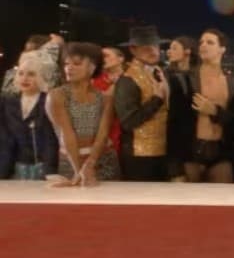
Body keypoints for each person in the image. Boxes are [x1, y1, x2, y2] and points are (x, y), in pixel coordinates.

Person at [171, 29, 234, 183]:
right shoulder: (184, 80)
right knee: (187, 198)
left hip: (221, 153)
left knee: (223, 197)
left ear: (222, 49)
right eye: (201, 42)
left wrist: (215, 111)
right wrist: (174, 169)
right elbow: (172, 125)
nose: (203, 45)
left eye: (210, 42)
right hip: (190, 153)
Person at [48, 42, 120, 185]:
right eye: (66, 64)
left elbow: (103, 134)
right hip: (70, 161)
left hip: (104, 161)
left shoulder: (105, 98)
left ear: (92, 67)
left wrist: (90, 164)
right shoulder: (57, 95)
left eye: (76, 63)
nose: (69, 68)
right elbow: (66, 134)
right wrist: (78, 170)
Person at [114, 26, 171, 181]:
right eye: (146, 47)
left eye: (155, 46)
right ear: (133, 49)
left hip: (164, 152)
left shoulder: (159, 72)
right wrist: (156, 100)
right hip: (139, 155)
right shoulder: (127, 80)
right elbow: (128, 122)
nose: (153, 51)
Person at [0, 51, 59, 179]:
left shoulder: (49, 101)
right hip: (12, 169)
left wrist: (49, 172)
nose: (24, 78)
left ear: (41, 77)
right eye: (20, 73)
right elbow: (4, 140)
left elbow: (50, 140)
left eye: (31, 74)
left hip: (43, 168)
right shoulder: (6, 102)